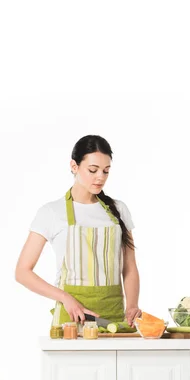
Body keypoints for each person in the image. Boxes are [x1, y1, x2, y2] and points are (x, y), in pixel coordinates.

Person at [15, 135, 141, 328]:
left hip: (114, 321)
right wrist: (65, 298)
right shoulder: (51, 212)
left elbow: (129, 267)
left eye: (106, 171)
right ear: (74, 166)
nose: (100, 177)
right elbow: (22, 272)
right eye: (93, 170)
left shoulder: (119, 210)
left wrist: (132, 305)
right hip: (71, 323)